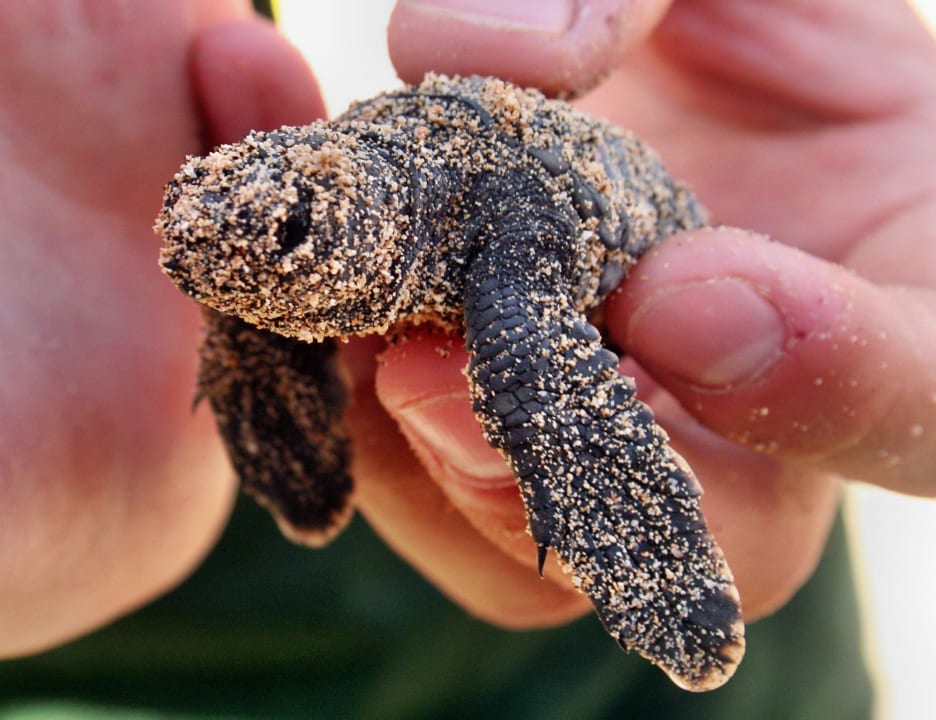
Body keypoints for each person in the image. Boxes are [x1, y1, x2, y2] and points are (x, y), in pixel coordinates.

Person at [0, 0, 931, 717]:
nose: (229, 282)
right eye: (189, 253)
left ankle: (659, 581)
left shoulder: (483, 222)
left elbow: (534, 358)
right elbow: (249, 269)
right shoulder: (275, 254)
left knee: (524, 367)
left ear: (357, 219)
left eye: (285, 241)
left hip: (610, 227)